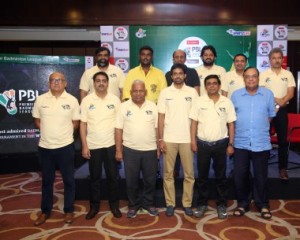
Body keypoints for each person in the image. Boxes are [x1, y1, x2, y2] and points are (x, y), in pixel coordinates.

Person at [32, 72, 80, 226]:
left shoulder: (72, 100)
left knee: (69, 180)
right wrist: (49, 132)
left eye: (59, 80)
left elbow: (76, 123)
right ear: (49, 83)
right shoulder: (40, 99)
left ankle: (68, 210)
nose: (56, 83)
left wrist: (63, 135)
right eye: (53, 80)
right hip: (45, 147)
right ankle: (45, 211)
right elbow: (37, 121)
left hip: (65, 147)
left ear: (65, 83)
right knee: (47, 181)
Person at [231, 67, 276, 219]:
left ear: (258, 78)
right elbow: (231, 119)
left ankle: (262, 204)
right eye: (248, 77)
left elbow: (270, 116)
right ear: (244, 79)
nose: (251, 79)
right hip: (240, 142)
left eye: (254, 76)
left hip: (261, 142)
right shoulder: (235, 95)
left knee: (261, 176)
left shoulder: (268, 95)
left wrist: (258, 127)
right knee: (239, 176)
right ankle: (243, 203)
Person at [190, 74, 236, 219]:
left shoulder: (226, 102)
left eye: (214, 83)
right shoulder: (198, 101)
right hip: (202, 144)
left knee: (221, 176)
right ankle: (202, 203)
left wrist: (231, 144)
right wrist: (193, 141)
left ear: (219, 85)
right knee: (202, 176)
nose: (211, 86)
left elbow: (231, 124)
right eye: (208, 83)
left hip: (221, 144)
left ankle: (221, 204)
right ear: (205, 86)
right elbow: (194, 123)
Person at [157, 63, 198, 217]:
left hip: (187, 139)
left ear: (185, 75)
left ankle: (187, 203)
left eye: (181, 73)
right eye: (175, 73)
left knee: (189, 174)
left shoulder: (193, 92)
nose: (178, 76)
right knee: (168, 174)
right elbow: (160, 117)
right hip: (169, 138)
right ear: (171, 76)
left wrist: (194, 139)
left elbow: (195, 118)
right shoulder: (165, 92)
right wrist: (160, 139)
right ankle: (170, 203)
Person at [80, 71, 121, 220]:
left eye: (104, 80)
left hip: (110, 145)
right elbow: (83, 125)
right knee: (95, 178)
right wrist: (84, 146)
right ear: (94, 83)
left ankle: (114, 205)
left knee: (113, 177)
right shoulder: (86, 101)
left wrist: (118, 148)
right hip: (94, 145)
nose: (101, 83)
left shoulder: (115, 100)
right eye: (98, 81)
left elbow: (119, 126)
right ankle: (94, 206)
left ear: (108, 83)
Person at [115, 80, 159, 218]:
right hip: (130, 149)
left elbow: (157, 128)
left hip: (150, 149)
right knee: (131, 181)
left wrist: (158, 146)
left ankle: (148, 204)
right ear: (131, 92)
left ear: (145, 92)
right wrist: (118, 149)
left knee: (150, 180)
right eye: (135, 91)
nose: (138, 93)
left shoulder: (152, 106)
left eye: (141, 91)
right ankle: (133, 205)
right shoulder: (123, 107)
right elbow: (118, 129)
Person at [260, 48, 296, 180]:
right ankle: (261, 167)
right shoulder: (264, 74)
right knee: (263, 139)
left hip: (282, 110)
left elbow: (291, 93)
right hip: (267, 109)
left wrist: (282, 102)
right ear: (270, 60)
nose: (276, 60)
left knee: (282, 140)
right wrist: (277, 100)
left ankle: (282, 168)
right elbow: (263, 93)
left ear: (282, 59)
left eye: (279, 58)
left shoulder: (288, 74)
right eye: (274, 58)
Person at [165, 49, 200, 178]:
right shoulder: (167, 75)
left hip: (187, 129)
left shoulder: (192, 73)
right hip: (171, 131)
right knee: (169, 171)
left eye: (182, 57)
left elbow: (197, 94)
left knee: (189, 172)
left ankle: (187, 198)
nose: (179, 59)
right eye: (176, 57)